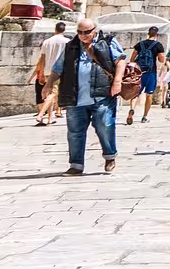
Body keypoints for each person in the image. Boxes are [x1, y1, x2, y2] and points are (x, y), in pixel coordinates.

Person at [52, 18, 125, 174]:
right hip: (75, 97)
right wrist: (48, 84)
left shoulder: (107, 42)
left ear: (95, 30)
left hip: (102, 94)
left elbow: (120, 61)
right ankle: (76, 165)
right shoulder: (70, 46)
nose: (83, 35)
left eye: (86, 32)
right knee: (74, 132)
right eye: (79, 32)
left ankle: (110, 156)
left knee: (105, 126)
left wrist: (117, 81)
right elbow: (58, 68)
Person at [127, 26, 168, 125]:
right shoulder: (158, 45)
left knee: (136, 94)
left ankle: (132, 110)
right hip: (151, 73)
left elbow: (132, 58)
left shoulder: (140, 44)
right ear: (157, 35)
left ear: (148, 33)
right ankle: (144, 117)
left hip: (139, 73)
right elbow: (161, 60)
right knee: (149, 95)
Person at [32, 20, 69, 126]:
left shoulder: (47, 42)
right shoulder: (67, 42)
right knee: (53, 93)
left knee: (50, 94)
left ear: (55, 29)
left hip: (48, 71)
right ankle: (41, 114)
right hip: (60, 71)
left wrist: (42, 73)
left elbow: (42, 58)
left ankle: (50, 118)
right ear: (64, 30)